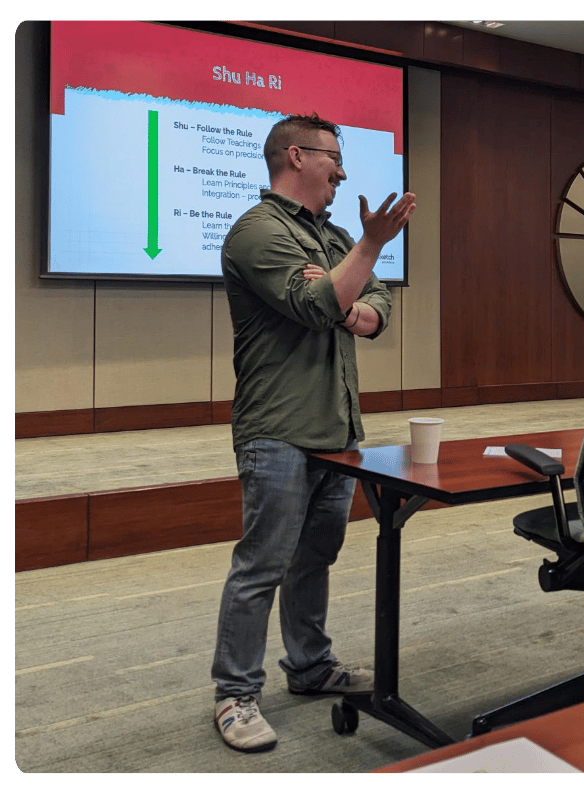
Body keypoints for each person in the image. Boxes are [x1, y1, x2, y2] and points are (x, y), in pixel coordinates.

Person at [212, 112, 416, 752]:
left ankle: (309, 666)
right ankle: (235, 694)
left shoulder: (332, 237)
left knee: (315, 559)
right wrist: (365, 255)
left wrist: (349, 299)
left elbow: (377, 305)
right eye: (334, 158)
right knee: (262, 565)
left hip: (337, 429)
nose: (344, 173)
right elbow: (315, 304)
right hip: (277, 430)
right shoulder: (257, 231)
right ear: (296, 156)